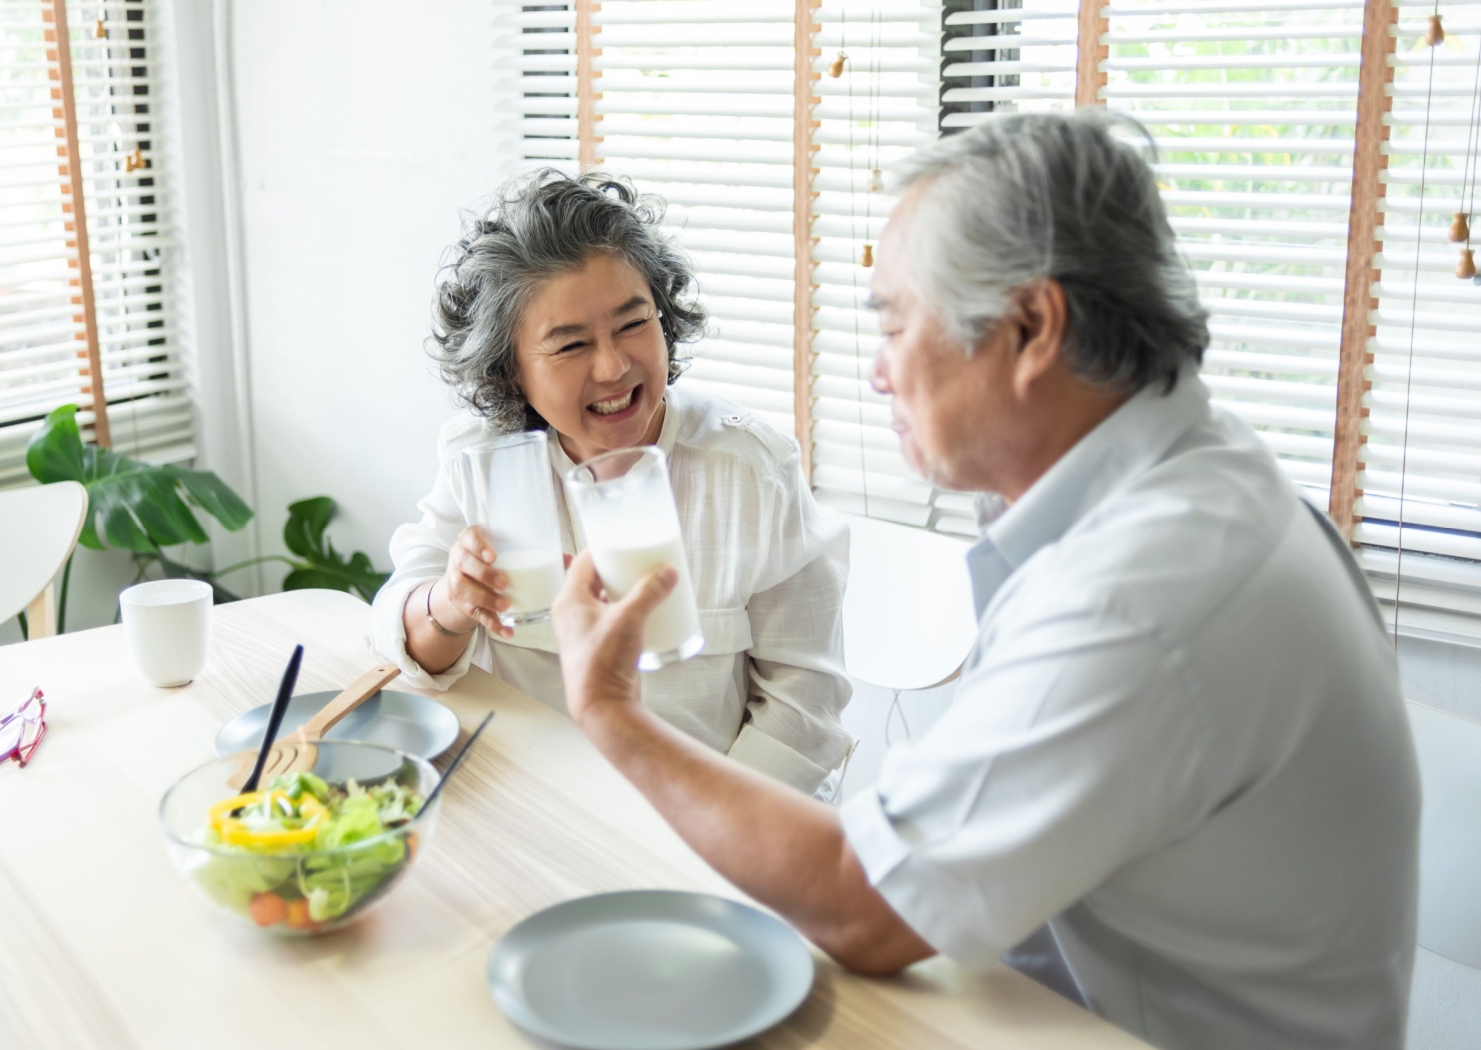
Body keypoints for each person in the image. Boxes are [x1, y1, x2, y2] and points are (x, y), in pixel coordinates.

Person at [548, 110, 1421, 1050]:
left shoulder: (1141, 597)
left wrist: (610, 711)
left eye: (894, 322)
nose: (879, 373)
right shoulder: (1194, 480)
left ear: (1033, 325)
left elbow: (863, 909)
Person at [369, 169, 853, 795]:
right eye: (570, 346)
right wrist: (451, 604)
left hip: (704, 818)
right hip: (529, 802)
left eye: (632, 324)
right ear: (509, 370)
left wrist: (704, 832)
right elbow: (399, 640)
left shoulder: (750, 469)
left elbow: (805, 707)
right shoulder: (484, 462)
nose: (615, 365)